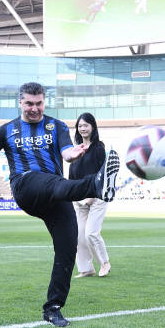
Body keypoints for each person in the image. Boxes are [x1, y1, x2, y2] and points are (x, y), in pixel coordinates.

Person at [0, 82, 120, 327]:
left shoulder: (56, 126)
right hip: (26, 186)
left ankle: (53, 308)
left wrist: (74, 154)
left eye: (39, 103)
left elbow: (66, 151)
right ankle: (96, 185)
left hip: (56, 192)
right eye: (29, 103)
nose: (34, 108)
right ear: (20, 102)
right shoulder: (6, 131)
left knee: (67, 248)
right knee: (51, 182)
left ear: (44, 103)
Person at [69, 113, 112, 278]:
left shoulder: (99, 148)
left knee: (91, 233)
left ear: (93, 127)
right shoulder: (77, 148)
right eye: (80, 126)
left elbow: (102, 173)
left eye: (86, 125)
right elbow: (72, 173)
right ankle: (86, 269)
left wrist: (92, 195)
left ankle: (105, 263)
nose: (83, 128)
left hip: (97, 197)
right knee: (79, 235)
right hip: (79, 198)